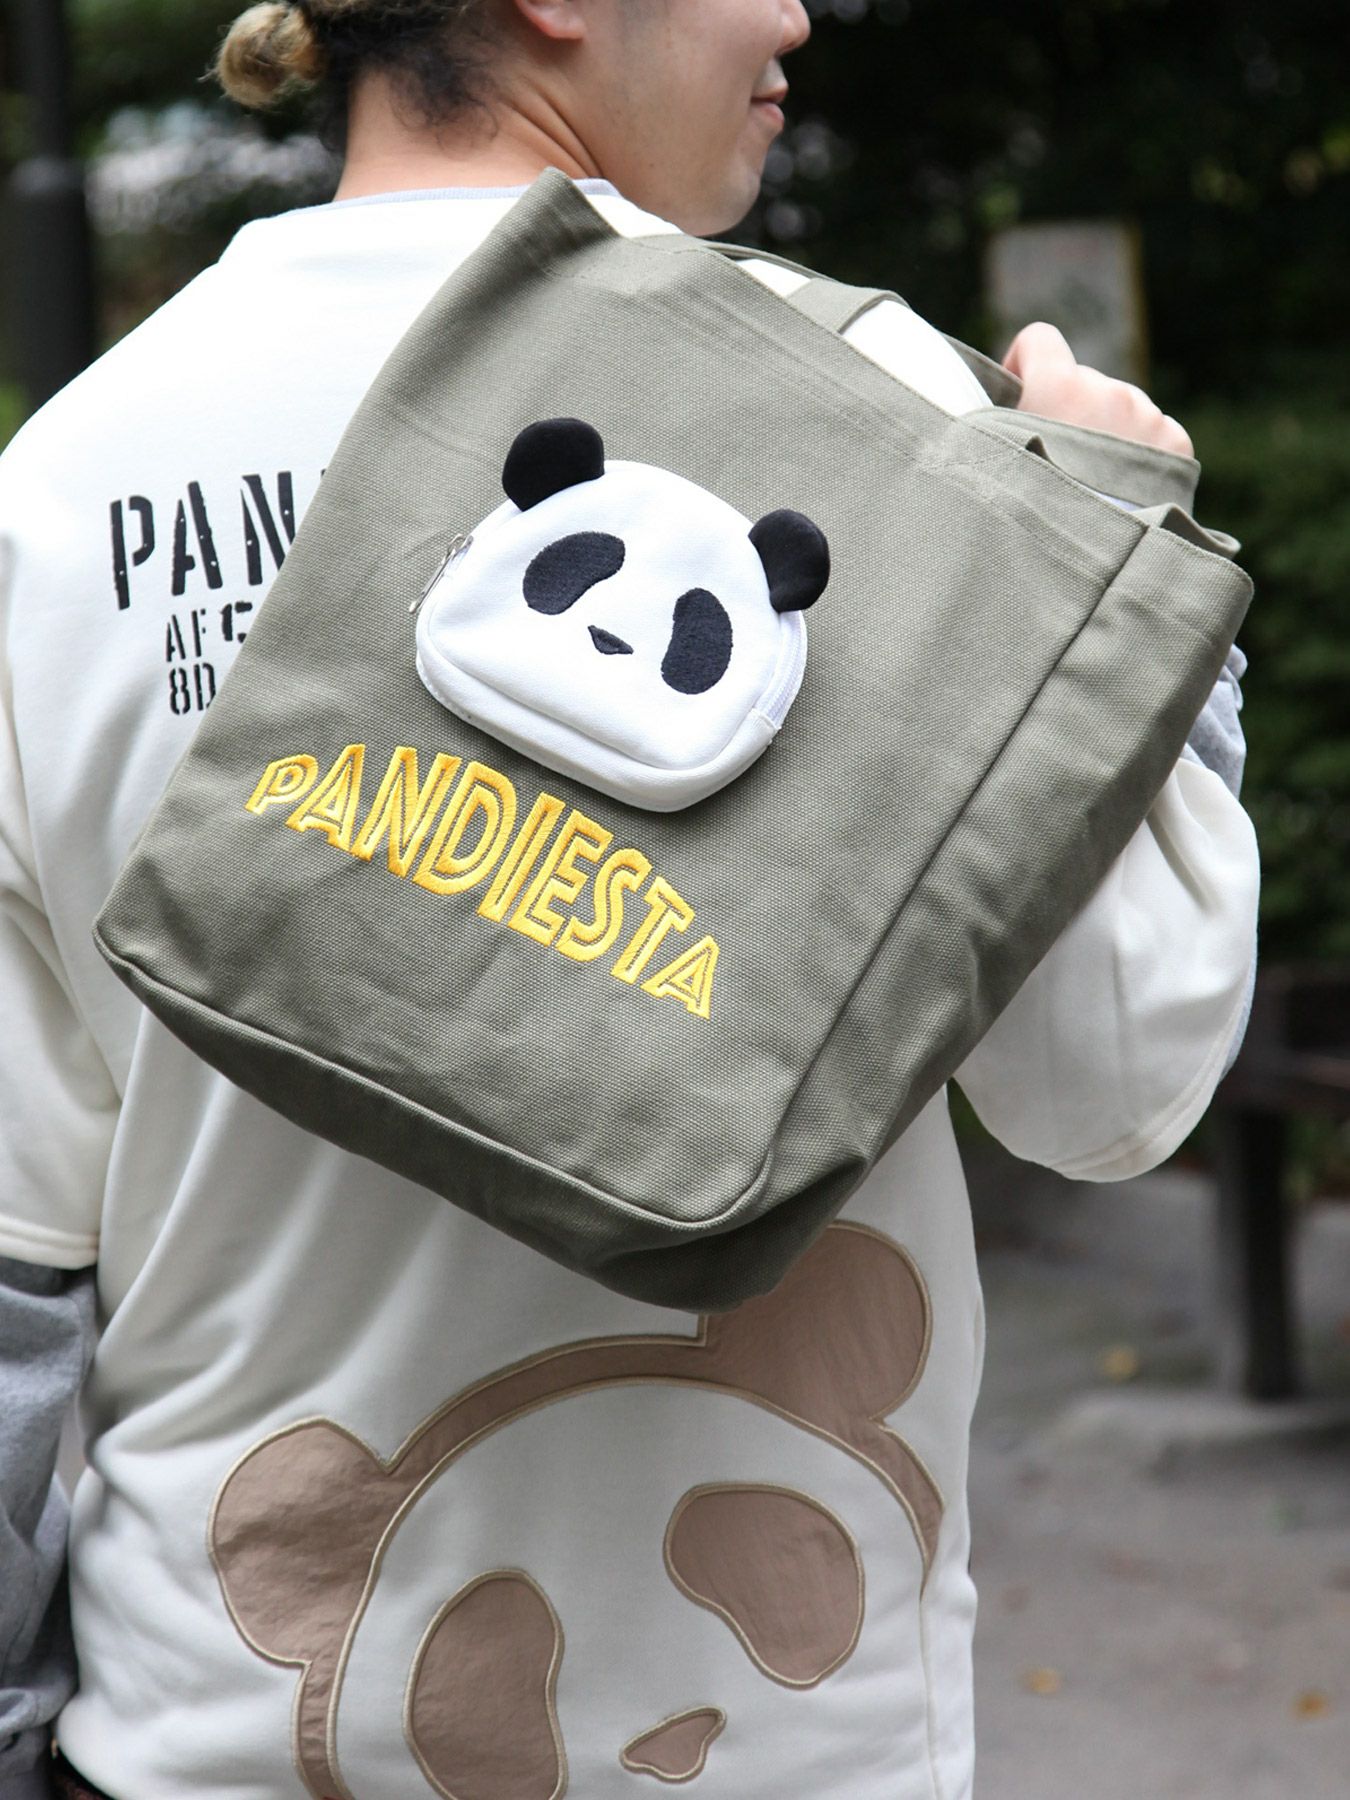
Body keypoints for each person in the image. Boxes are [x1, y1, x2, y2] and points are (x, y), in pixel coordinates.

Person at [0, 2, 1258, 1796]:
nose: (796, 13)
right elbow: (1113, 1085)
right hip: (786, 1744)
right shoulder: (900, 411)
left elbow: (15, 1296)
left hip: (213, 1737)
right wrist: (1123, 563)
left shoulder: (60, 491)